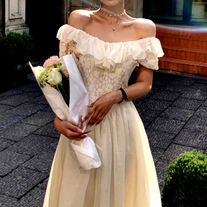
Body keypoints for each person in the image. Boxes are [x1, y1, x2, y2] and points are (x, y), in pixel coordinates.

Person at [43, 0, 164, 206]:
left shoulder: (144, 28)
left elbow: (145, 84)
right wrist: (59, 119)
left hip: (122, 126)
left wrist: (115, 96)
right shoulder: (78, 20)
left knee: (120, 193)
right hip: (81, 124)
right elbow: (66, 79)